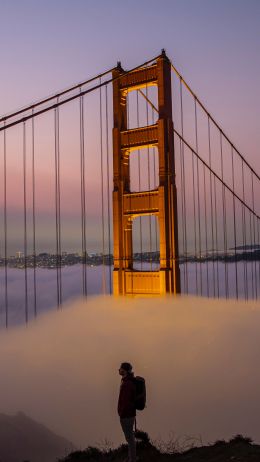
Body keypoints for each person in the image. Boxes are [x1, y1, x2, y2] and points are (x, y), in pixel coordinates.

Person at [118, 362, 136, 462]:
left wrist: (121, 413)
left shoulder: (127, 384)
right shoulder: (128, 381)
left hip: (126, 415)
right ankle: (131, 457)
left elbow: (125, 401)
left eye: (120, 369)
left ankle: (132, 459)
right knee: (130, 437)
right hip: (129, 414)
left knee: (130, 438)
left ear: (124, 370)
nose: (118, 370)